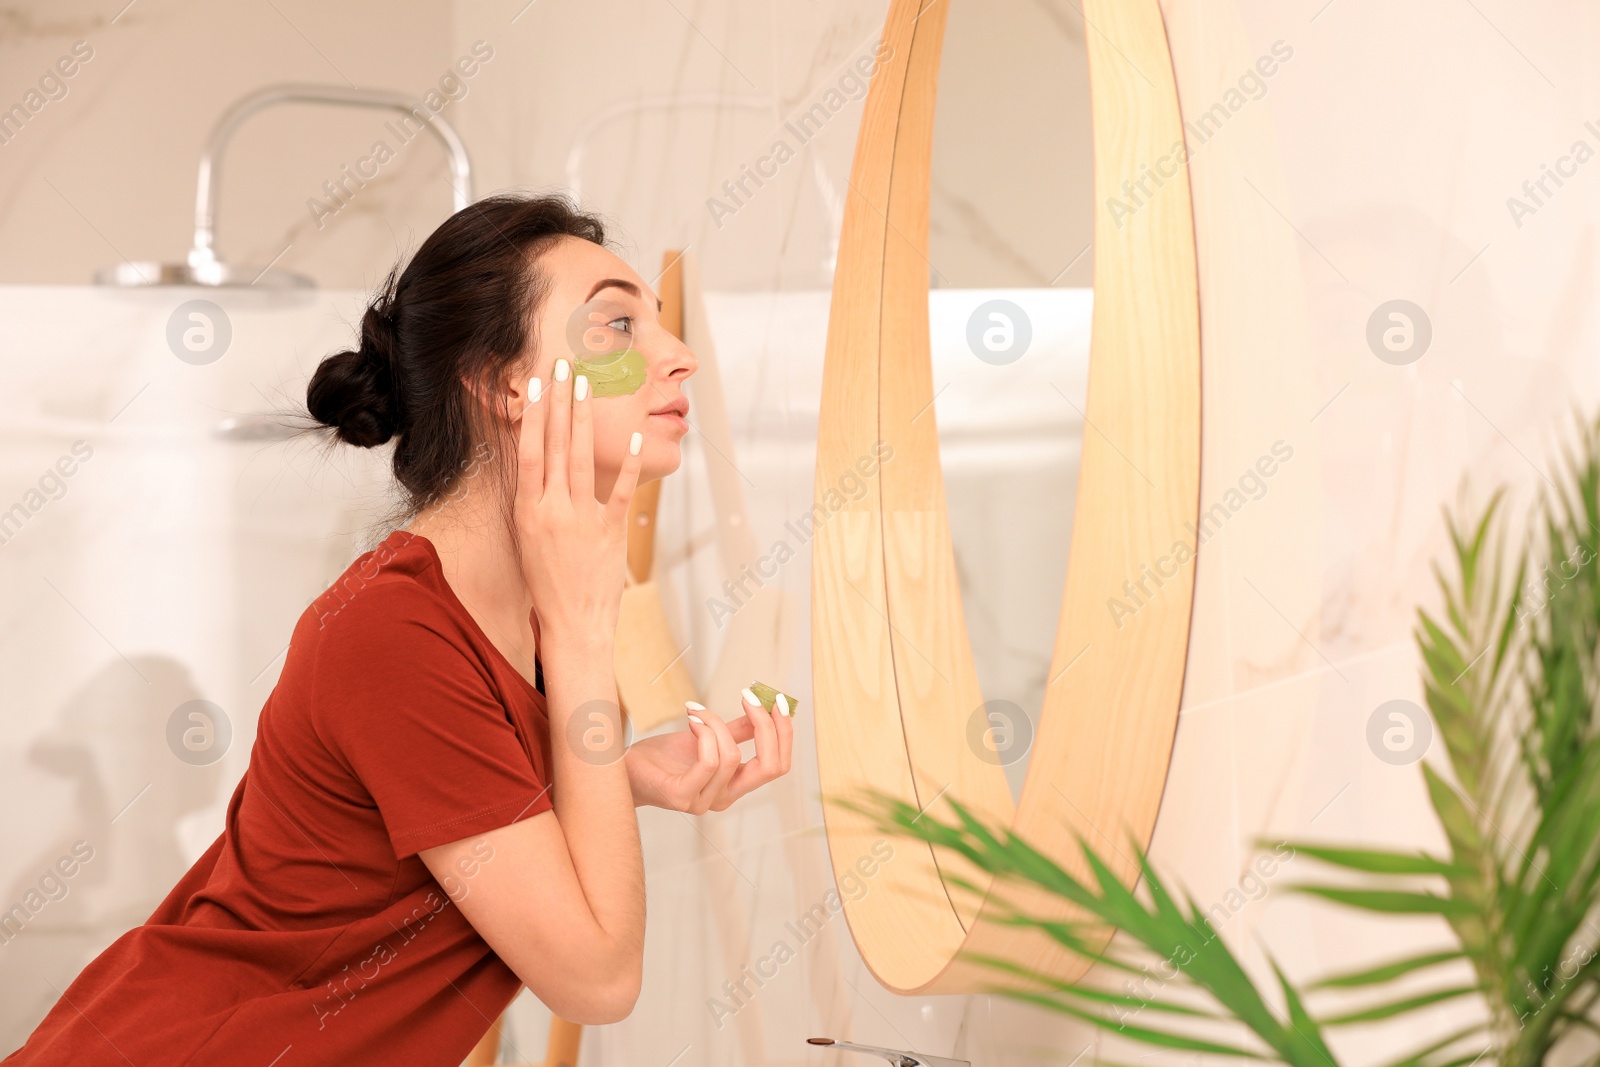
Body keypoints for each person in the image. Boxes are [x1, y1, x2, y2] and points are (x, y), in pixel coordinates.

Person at [5, 193, 794, 1065]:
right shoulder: (397, 630)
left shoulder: (535, 616)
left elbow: (467, 812)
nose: (678, 356)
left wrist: (625, 773)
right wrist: (582, 634)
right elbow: (599, 978)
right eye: (616, 325)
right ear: (502, 383)